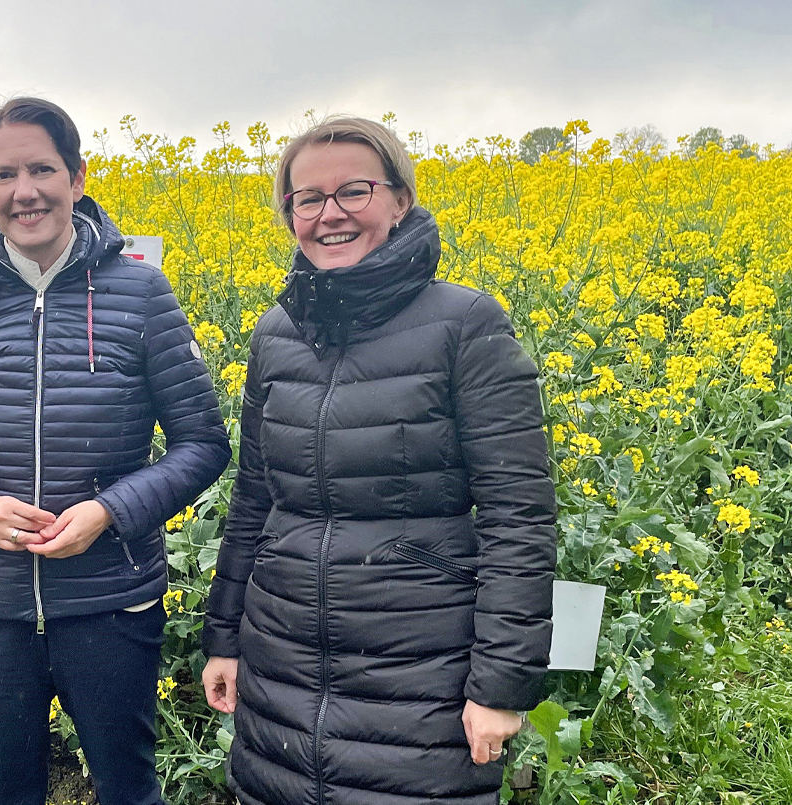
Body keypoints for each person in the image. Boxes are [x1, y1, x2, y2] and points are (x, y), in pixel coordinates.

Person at [200, 116, 557, 804]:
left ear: (400, 201)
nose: (329, 214)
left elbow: (520, 518)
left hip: (418, 673)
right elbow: (253, 499)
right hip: (282, 666)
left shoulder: (467, 325)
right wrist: (224, 637)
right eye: (308, 198)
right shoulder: (275, 335)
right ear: (289, 215)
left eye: (353, 191)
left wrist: (500, 685)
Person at [0, 97, 230, 805]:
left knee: (127, 789)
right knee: (8, 791)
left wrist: (108, 511)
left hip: (110, 601)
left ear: (77, 177)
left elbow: (202, 443)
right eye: (4, 174)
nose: (25, 191)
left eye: (42, 168)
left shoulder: (141, 294)